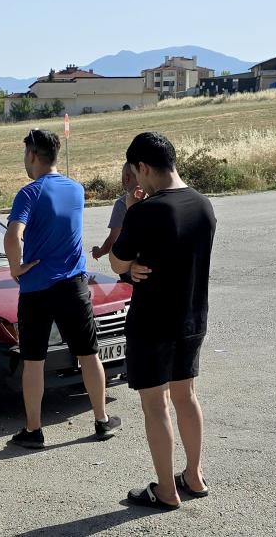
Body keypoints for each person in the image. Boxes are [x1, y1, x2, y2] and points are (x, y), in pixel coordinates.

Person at [109, 132, 216, 511]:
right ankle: (194, 475)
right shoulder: (203, 205)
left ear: (143, 167)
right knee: (186, 395)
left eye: (136, 174)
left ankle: (167, 491)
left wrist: (129, 208)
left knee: (156, 405)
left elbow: (118, 263)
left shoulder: (145, 211)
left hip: (152, 322)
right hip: (192, 316)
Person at [3, 128, 121, 450]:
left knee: (33, 361)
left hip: (37, 288)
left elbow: (13, 235)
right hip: (72, 285)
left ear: (33, 155)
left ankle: (33, 430)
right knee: (89, 353)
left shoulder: (28, 193)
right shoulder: (76, 190)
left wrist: (15, 267)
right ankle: (101, 420)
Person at [92, 163, 144, 260]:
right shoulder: (153, 196)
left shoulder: (121, 203)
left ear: (126, 178)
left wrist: (98, 252)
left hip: (132, 265)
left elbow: (113, 239)